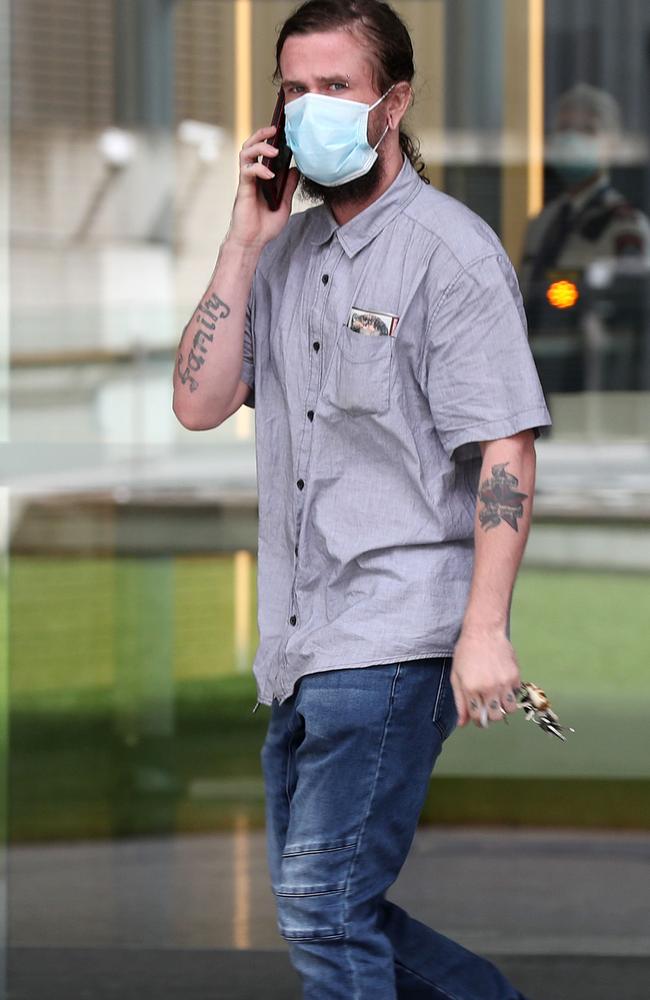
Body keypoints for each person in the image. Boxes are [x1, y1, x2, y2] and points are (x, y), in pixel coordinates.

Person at [173, 2, 551, 996]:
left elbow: (505, 447)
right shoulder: (283, 257)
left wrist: (485, 632)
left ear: (394, 102)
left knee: (319, 906)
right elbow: (198, 402)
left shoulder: (448, 252)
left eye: (334, 88)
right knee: (332, 903)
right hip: (300, 643)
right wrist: (242, 241)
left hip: (394, 634)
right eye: (293, 90)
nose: (309, 110)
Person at [519, 82, 650, 394]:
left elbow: (628, 315)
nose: (572, 139)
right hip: (532, 368)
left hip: (588, 376)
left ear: (613, 143)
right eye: (564, 128)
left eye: (587, 130)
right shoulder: (542, 223)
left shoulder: (625, 227)